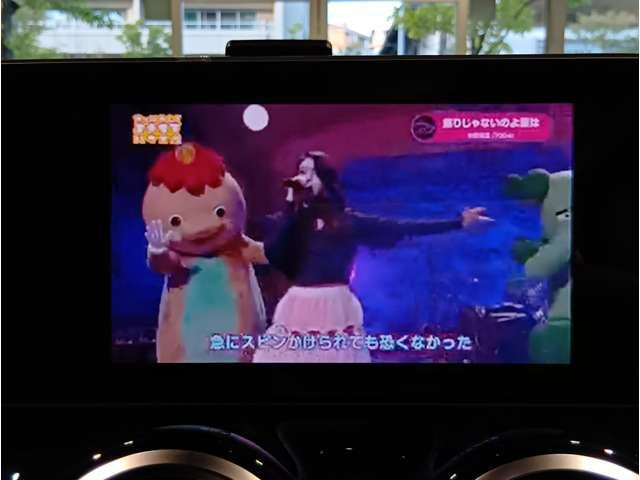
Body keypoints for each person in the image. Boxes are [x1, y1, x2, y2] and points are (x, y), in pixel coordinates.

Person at [252, 151, 493, 363]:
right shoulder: (295, 222)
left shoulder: (349, 222)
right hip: (297, 307)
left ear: (325, 180)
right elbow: (274, 252)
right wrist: (290, 203)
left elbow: (401, 227)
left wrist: (458, 222)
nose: (301, 179)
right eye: (300, 172)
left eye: (308, 173)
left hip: (335, 307)